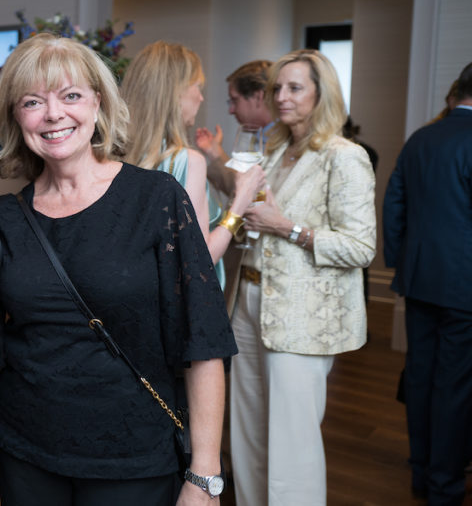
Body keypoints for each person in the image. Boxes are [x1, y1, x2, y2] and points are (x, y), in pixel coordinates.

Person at [0, 34, 237, 505]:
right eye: (33, 102)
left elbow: (204, 340)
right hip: (27, 451)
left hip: (134, 455)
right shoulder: (6, 218)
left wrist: (205, 475)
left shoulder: (156, 198)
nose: (54, 114)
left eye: (71, 95)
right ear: (16, 117)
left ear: (98, 104)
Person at [232, 49, 376, 506]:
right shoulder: (275, 151)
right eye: (277, 87)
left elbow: (360, 247)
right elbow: (261, 226)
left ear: (321, 94)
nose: (281, 96)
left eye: (295, 88)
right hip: (248, 301)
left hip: (301, 316)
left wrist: (285, 226)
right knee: (248, 431)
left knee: (292, 443)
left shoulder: (344, 156)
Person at [383, 61, 472, 505]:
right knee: (453, 386)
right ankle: (445, 485)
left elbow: (394, 205)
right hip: (465, 289)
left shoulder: (421, 138)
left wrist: (399, 264)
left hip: (419, 280)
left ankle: (421, 470)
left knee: (420, 377)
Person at [119, 41, 265, 292]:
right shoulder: (185, 161)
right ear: (175, 93)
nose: (201, 97)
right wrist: (240, 202)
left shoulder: (112, 153)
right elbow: (199, 259)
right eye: (197, 87)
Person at [195, 60, 275, 197]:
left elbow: (257, 197)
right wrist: (215, 152)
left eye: (235, 100)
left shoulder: (289, 139)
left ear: (258, 97)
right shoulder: (249, 135)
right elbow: (240, 190)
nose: (231, 110)